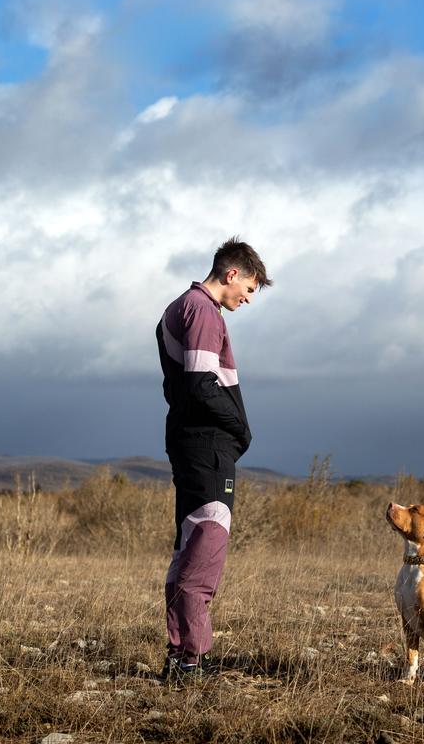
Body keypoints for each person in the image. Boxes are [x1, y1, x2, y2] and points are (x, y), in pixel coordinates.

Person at [155, 236, 272, 682]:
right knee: (205, 546)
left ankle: (179, 654)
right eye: (249, 289)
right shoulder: (202, 310)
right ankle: (191, 661)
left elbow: (181, 388)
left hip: (192, 445)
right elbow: (203, 384)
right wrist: (242, 429)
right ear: (232, 273)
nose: (247, 299)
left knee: (189, 547)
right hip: (207, 449)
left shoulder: (178, 308)